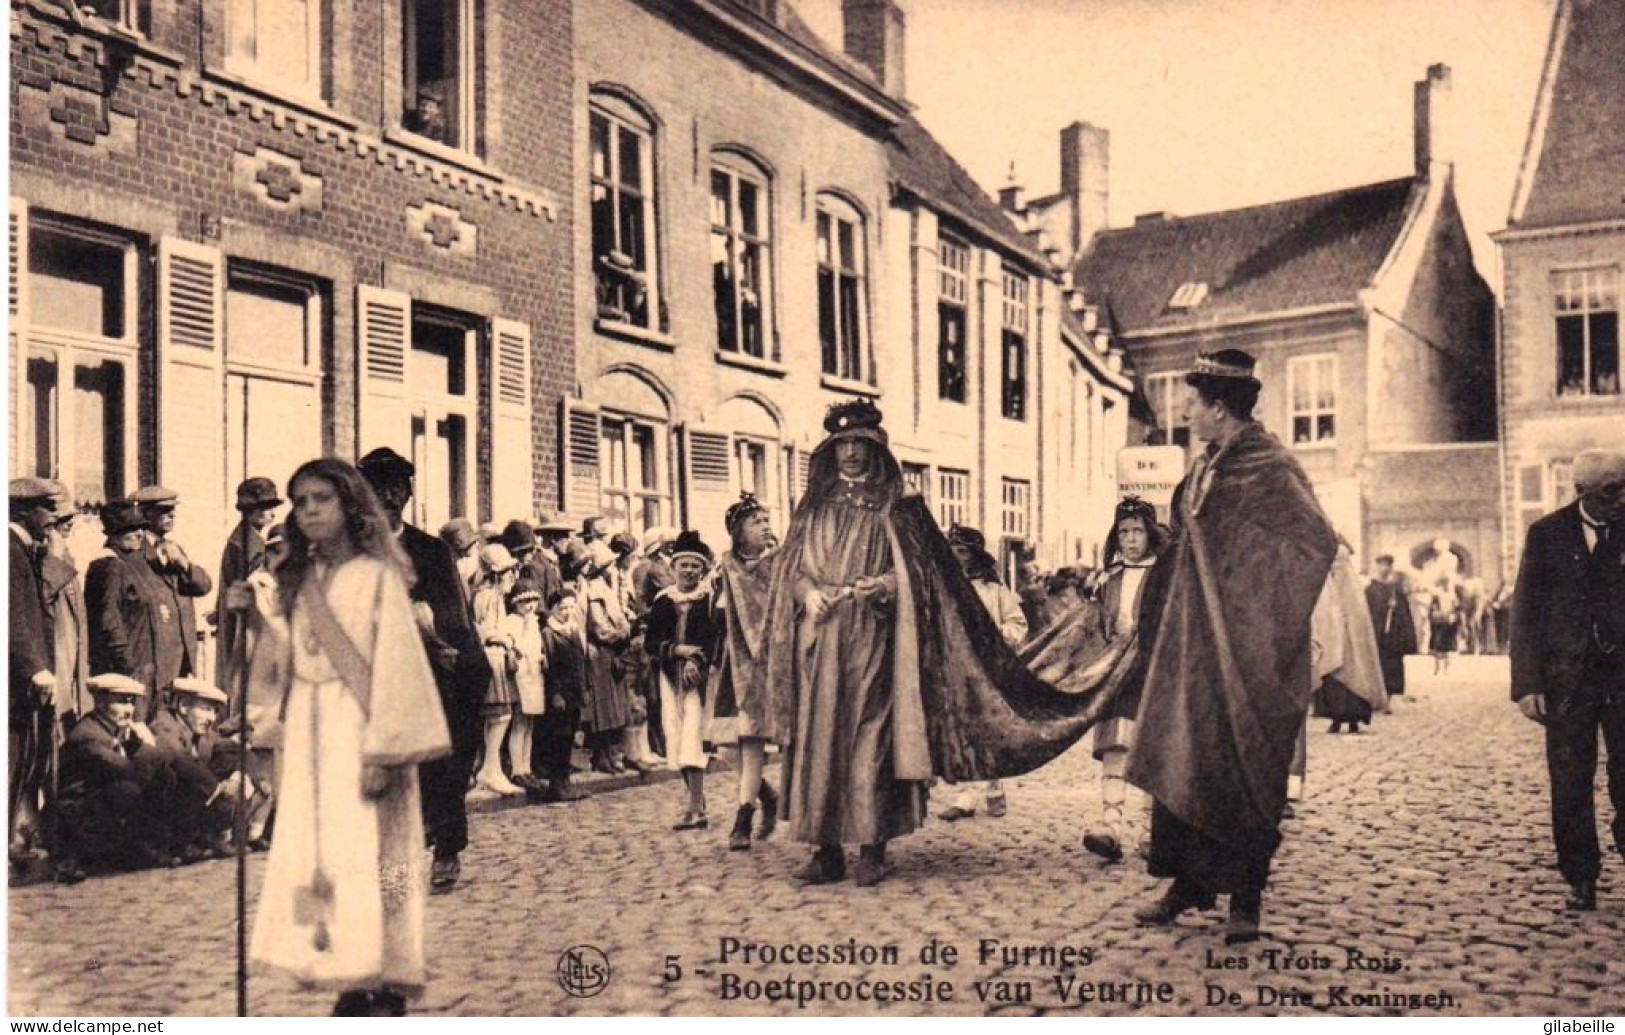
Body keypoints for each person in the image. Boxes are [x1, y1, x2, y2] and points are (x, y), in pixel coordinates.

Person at [757, 400, 1119, 887]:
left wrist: (882, 586)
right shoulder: (814, 508)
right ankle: (825, 850)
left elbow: (923, 577)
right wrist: (809, 592)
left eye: (858, 445)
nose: (849, 454)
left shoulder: (897, 507)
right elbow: (792, 571)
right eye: (841, 445)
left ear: (875, 450)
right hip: (819, 644)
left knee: (870, 737)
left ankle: (871, 846)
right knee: (822, 740)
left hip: (875, 642)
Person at [1127, 349, 1335, 945]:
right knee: (1186, 755)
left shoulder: (1272, 467)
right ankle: (1187, 884)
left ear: (1219, 409)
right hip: (1194, 648)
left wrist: (1254, 606)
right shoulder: (1202, 468)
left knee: (1246, 766)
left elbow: (1314, 542)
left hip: (1250, 649)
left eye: (1193, 403)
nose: (1186, 411)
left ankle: (1246, 897)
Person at [242, 457, 452, 1016]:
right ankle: (342, 965)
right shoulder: (301, 580)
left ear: (349, 506)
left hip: (366, 730)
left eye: (321, 499)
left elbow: (399, 666)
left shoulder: (377, 577)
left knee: (373, 855)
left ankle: (380, 979)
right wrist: (261, 622)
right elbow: (294, 660)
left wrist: (386, 749)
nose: (309, 510)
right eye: (301, 501)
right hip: (315, 733)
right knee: (325, 853)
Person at [357, 448, 489, 895]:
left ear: (408, 494)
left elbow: (455, 617)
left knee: (441, 770)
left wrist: (423, 614)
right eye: (379, 489)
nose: (389, 497)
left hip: (432, 674)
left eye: (397, 489)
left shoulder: (431, 551)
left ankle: (446, 851)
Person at [1511, 448, 1625, 913]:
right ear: (1582, 492)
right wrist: (1527, 684)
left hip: (1621, 678)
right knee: (1571, 778)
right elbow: (1526, 612)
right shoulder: (1547, 535)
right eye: (1613, 490)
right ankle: (1580, 874)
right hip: (1567, 681)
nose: (1622, 499)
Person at [1080, 497, 1168, 863]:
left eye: (1138, 532)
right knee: (1116, 748)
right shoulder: (1108, 579)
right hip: (1118, 675)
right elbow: (1094, 625)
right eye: (1124, 532)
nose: (1131, 540)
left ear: (1151, 534)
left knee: (1150, 750)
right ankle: (1111, 825)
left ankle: (1152, 833)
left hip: (1152, 672)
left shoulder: (1163, 574)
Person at [707, 495, 781, 851]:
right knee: (726, 748)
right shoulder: (726, 568)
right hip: (734, 662)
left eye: (767, 520)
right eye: (756, 522)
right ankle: (765, 794)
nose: (765, 526)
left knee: (752, 740)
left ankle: (742, 817)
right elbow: (715, 616)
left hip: (771, 662)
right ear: (737, 533)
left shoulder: (781, 565)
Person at [937, 524, 1025, 823]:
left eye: (961, 551)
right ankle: (965, 796)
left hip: (989, 667)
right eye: (951, 552)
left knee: (989, 727)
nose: (956, 557)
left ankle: (994, 786)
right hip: (957, 667)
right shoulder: (945, 591)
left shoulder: (995, 591)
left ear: (974, 555)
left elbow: (1018, 625)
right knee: (962, 728)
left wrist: (997, 635)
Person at [54, 674, 177, 877]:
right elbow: (128, 771)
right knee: (127, 790)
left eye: (131, 702)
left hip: (98, 801)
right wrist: (146, 744)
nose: (129, 709)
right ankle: (81, 855)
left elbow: (158, 764)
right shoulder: (88, 734)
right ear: (100, 702)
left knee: (166, 776)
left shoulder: (113, 728)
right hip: (75, 811)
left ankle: (143, 846)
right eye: (121, 702)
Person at [645, 531, 718, 830]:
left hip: (700, 681)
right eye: (683, 565)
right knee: (675, 736)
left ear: (702, 570)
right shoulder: (664, 601)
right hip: (669, 677)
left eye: (694, 566)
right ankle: (697, 803)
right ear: (673, 568)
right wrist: (676, 651)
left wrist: (695, 659)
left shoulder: (709, 601)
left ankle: (694, 808)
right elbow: (651, 642)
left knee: (693, 738)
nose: (689, 571)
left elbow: (715, 638)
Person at [85, 501, 183, 717]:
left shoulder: (129, 564)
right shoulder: (108, 566)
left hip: (143, 666)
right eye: (131, 529)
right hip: (127, 671)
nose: (139, 534)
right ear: (114, 534)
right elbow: (108, 621)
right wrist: (128, 666)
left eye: (141, 528)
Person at [10, 478, 61, 865]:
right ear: (24, 512)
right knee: (11, 763)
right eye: (46, 510)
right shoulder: (9, 552)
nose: (52, 519)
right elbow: (13, 620)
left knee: (23, 765)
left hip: (23, 684)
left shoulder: (25, 551)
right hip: (15, 684)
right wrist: (35, 669)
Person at [132, 486, 213, 697]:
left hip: (182, 650)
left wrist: (185, 565)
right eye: (163, 510)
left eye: (173, 510)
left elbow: (203, 586)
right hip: (156, 653)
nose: (171, 515)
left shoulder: (174, 548)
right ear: (144, 513)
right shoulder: (136, 552)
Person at [148, 677, 238, 861]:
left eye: (214, 711)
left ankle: (205, 838)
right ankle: (174, 846)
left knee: (230, 763)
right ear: (183, 707)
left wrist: (237, 776)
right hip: (154, 809)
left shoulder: (196, 730)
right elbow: (180, 759)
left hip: (183, 806)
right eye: (206, 709)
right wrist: (220, 789)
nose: (212, 718)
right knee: (184, 779)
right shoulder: (163, 726)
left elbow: (228, 747)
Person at [217, 477, 283, 703]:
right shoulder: (251, 544)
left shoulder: (242, 537)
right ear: (250, 510)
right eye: (266, 508)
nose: (272, 514)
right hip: (244, 622)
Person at [1311, 542, 1387, 734]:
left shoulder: (1355, 594)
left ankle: (1354, 718)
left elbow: (1360, 624)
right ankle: (1336, 718)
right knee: (1334, 680)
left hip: (1352, 649)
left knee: (1355, 678)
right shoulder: (1326, 590)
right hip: (1334, 644)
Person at [470, 544, 524, 796]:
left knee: (502, 716)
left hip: (498, 657)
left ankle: (491, 768)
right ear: (495, 575)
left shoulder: (495, 597)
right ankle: (489, 769)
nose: (512, 578)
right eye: (508, 573)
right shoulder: (487, 597)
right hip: (491, 657)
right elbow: (483, 630)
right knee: (498, 716)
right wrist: (506, 639)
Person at [580, 540, 634, 774]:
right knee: (602, 707)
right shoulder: (592, 589)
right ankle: (601, 755)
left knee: (614, 705)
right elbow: (598, 626)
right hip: (600, 652)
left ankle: (612, 753)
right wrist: (622, 633)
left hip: (613, 650)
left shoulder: (605, 586)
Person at [533, 586, 588, 803]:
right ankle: (557, 784)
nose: (568, 612)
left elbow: (581, 663)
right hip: (560, 694)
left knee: (569, 736)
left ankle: (566, 782)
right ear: (554, 608)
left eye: (571, 607)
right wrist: (556, 693)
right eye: (564, 607)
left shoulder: (573, 630)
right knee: (559, 737)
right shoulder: (549, 633)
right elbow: (551, 667)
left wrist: (584, 690)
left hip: (574, 691)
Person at [500, 576, 547, 792]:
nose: (529, 606)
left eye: (533, 601)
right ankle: (517, 769)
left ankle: (526, 767)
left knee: (530, 724)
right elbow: (520, 645)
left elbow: (536, 647)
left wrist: (541, 656)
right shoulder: (512, 622)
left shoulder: (534, 623)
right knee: (519, 724)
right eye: (524, 602)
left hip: (534, 675)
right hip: (521, 676)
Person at [1363, 554, 1416, 704]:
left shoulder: (1395, 589)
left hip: (1392, 636)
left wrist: (1396, 608)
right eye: (1380, 564)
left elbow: (1405, 614)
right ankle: (1375, 697)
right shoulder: (1370, 589)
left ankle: (1388, 699)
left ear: (1390, 567)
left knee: (1392, 666)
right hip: (1376, 633)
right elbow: (1366, 611)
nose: (1383, 568)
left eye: (1386, 565)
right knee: (1375, 664)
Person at [440, 518, 482, 596]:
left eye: (474, 542)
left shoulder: (476, 559)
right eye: (472, 544)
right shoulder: (450, 566)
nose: (475, 546)